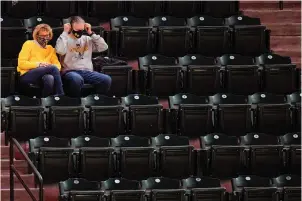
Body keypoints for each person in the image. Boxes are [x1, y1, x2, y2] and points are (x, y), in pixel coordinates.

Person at [55, 16, 111, 97]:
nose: (80, 32)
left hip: (87, 71)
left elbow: (104, 47)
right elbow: (60, 50)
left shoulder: (87, 39)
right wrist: (64, 32)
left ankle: (93, 99)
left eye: (82, 30)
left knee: (106, 79)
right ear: (71, 28)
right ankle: (75, 102)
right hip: (70, 71)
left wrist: (91, 33)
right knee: (76, 79)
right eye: (77, 30)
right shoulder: (64, 39)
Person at [17, 23, 64, 97]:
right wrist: (39, 65)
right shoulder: (28, 44)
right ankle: (60, 95)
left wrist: (47, 68)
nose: (45, 38)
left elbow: (57, 65)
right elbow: (21, 64)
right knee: (52, 68)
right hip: (28, 74)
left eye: (47, 36)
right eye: (42, 36)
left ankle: (45, 101)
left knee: (50, 78)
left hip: (45, 74)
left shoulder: (50, 48)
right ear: (36, 36)